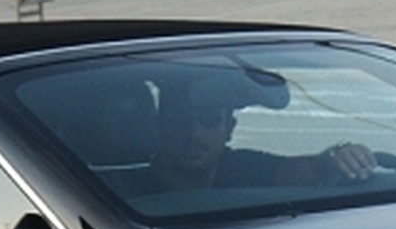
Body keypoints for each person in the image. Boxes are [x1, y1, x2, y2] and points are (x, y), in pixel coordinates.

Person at [120, 76, 378, 196]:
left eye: (209, 121)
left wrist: (340, 157)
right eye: (180, 123)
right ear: (159, 127)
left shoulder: (245, 168)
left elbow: (307, 169)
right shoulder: (125, 193)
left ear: (229, 129)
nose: (194, 133)